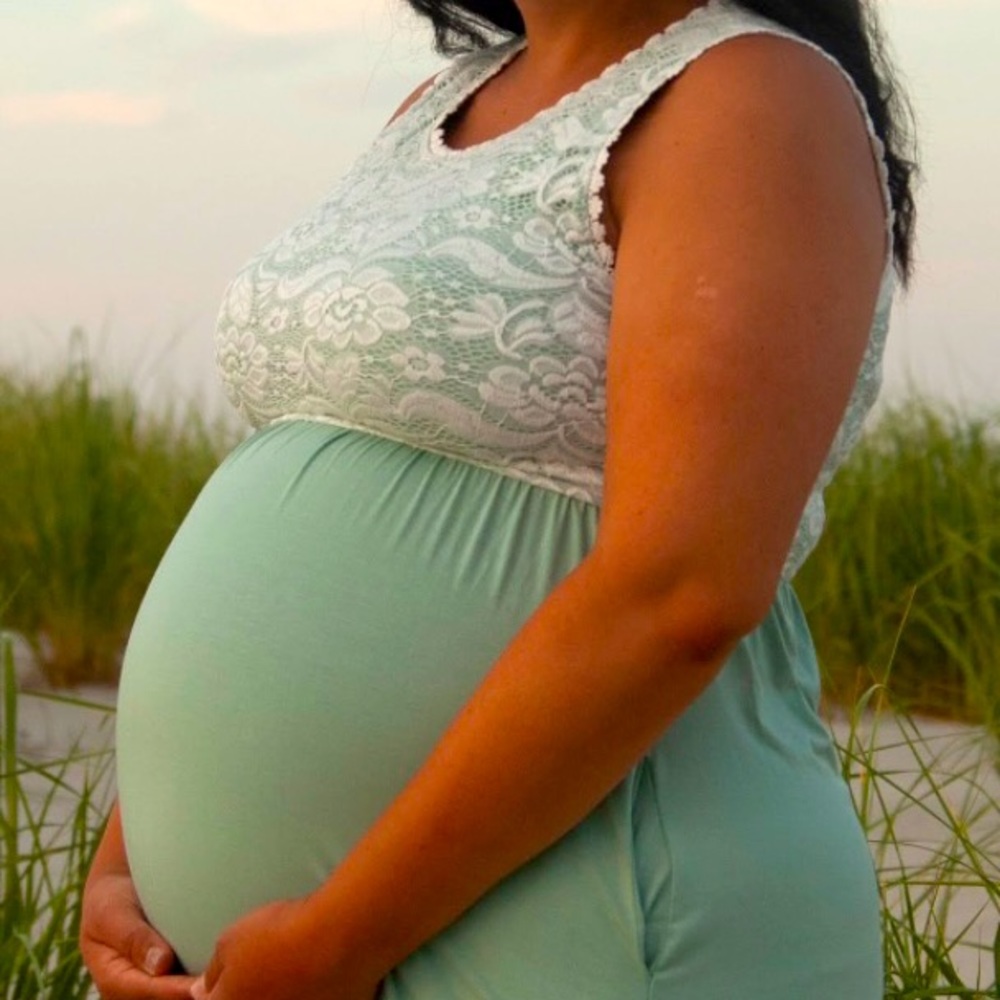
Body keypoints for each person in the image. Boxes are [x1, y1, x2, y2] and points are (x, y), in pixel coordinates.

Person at [81, 0, 917, 997]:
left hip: (593, 916)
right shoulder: (437, 105)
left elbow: (682, 591)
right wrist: (135, 853)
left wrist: (339, 940)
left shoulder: (749, 94)